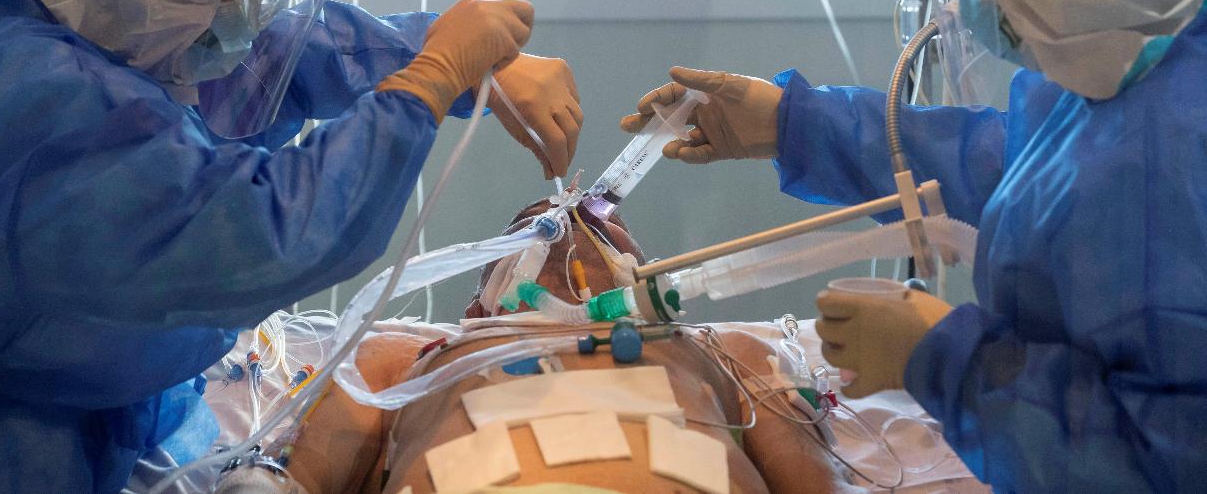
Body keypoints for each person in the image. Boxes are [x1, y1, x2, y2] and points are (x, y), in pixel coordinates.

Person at [0, 0, 581, 494]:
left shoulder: (81, 11)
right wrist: (431, 82)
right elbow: (263, 233)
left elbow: (276, 54)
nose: (252, 7)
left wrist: (450, 57)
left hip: (87, 408)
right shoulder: (45, 103)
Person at [623, 0, 1207, 492]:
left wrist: (944, 356)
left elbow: (1163, 461)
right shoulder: (1128, 65)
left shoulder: (1175, 155)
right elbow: (1014, 173)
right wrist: (794, 123)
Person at [239, 199, 881, 494]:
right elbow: (293, 479)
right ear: (477, 311)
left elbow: (815, 484)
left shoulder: (724, 348)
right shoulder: (402, 359)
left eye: (605, 224)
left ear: (647, 284)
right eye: (530, 227)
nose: (568, 220)